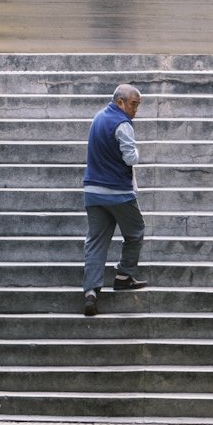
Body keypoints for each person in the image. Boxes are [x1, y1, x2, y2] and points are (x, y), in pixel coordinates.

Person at [82, 82, 148, 316]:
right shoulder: (122, 123)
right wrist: (138, 152)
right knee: (136, 231)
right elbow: (131, 158)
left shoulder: (98, 117)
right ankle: (123, 275)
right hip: (117, 192)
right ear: (120, 102)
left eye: (138, 105)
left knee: (96, 241)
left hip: (92, 191)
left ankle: (90, 292)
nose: (135, 110)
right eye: (133, 104)